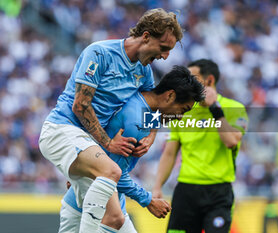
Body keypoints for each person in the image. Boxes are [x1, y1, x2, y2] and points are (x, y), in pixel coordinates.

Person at [39, 8, 183, 233]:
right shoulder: (99, 53)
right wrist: (107, 143)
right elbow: (80, 105)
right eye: (163, 48)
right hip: (62, 130)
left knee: (116, 220)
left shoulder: (143, 71)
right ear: (146, 36)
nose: (165, 56)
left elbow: (151, 104)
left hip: (90, 145)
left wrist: (152, 135)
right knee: (112, 177)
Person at [59, 66, 205, 233]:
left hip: (93, 196)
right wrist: (148, 200)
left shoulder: (139, 99)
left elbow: (152, 116)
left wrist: (152, 135)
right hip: (96, 200)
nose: (180, 117)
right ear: (170, 95)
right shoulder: (138, 123)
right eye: (183, 110)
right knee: (115, 220)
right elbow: (112, 174)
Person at [152, 59, 249, 233]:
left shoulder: (234, 108)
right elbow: (169, 153)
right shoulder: (184, 109)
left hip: (218, 192)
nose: (187, 83)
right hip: (186, 190)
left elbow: (231, 141)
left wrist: (215, 108)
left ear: (210, 80)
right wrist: (157, 186)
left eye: (193, 78)